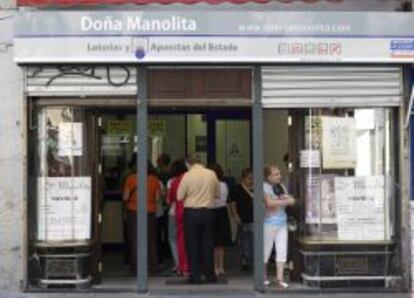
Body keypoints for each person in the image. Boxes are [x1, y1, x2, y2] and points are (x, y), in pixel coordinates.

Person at [177, 156, 220, 284]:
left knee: (192, 245)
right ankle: (210, 275)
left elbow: (179, 196)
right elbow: (217, 194)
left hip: (191, 213)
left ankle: (195, 276)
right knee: (208, 245)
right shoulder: (212, 174)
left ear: (188, 164)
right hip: (208, 212)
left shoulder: (187, 175)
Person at [123, 157, 161, 274]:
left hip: (133, 211)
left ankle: (136, 268)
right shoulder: (155, 180)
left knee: (134, 239)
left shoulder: (130, 179)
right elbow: (157, 198)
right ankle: (153, 266)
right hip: (149, 211)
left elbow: (125, 197)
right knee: (151, 239)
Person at [263, 165, 295, 289]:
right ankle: (263, 277)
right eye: (276, 174)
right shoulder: (264, 186)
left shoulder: (281, 186)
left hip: (282, 222)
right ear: (268, 176)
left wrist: (278, 202)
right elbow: (269, 203)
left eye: (279, 173)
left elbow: (292, 201)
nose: (279, 176)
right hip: (268, 222)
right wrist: (283, 201)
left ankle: (279, 279)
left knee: (282, 250)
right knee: (266, 250)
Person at [208, 163, 232, 277]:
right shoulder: (224, 185)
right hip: (222, 212)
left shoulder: (209, 185)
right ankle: (221, 267)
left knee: (213, 241)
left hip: (212, 211)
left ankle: (214, 267)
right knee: (221, 243)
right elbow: (225, 199)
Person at [166, 159, 189, 276]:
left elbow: (169, 200)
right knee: (186, 239)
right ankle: (186, 264)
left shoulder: (171, 182)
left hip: (174, 213)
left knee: (173, 239)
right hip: (188, 211)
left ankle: (178, 263)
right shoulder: (188, 179)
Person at [229, 167, 254, 271]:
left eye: (253, 178)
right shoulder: (236, 189)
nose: (251, 180)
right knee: (244, 240)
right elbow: (233, 204)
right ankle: (245, 260)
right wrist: (235, 216)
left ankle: (251, 259)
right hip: (243, 217)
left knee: (253, 240)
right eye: (249, 178)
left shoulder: (256, 188)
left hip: (255, 218)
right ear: (243, 178)